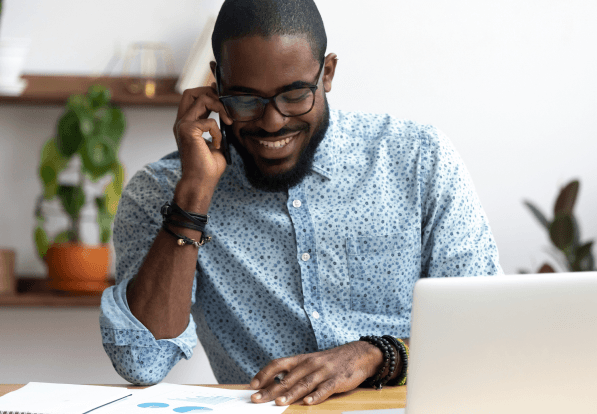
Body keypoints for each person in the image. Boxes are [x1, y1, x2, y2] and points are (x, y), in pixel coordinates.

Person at [99, 0, 503, 406]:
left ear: (327, 73)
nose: (272, 122)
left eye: (293, 95)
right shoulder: (162, 191)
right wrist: (193, 197)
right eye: (245, 99)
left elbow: (487, 327)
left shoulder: (418, 160)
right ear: (216, 84)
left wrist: (374, 355)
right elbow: (142, 361)